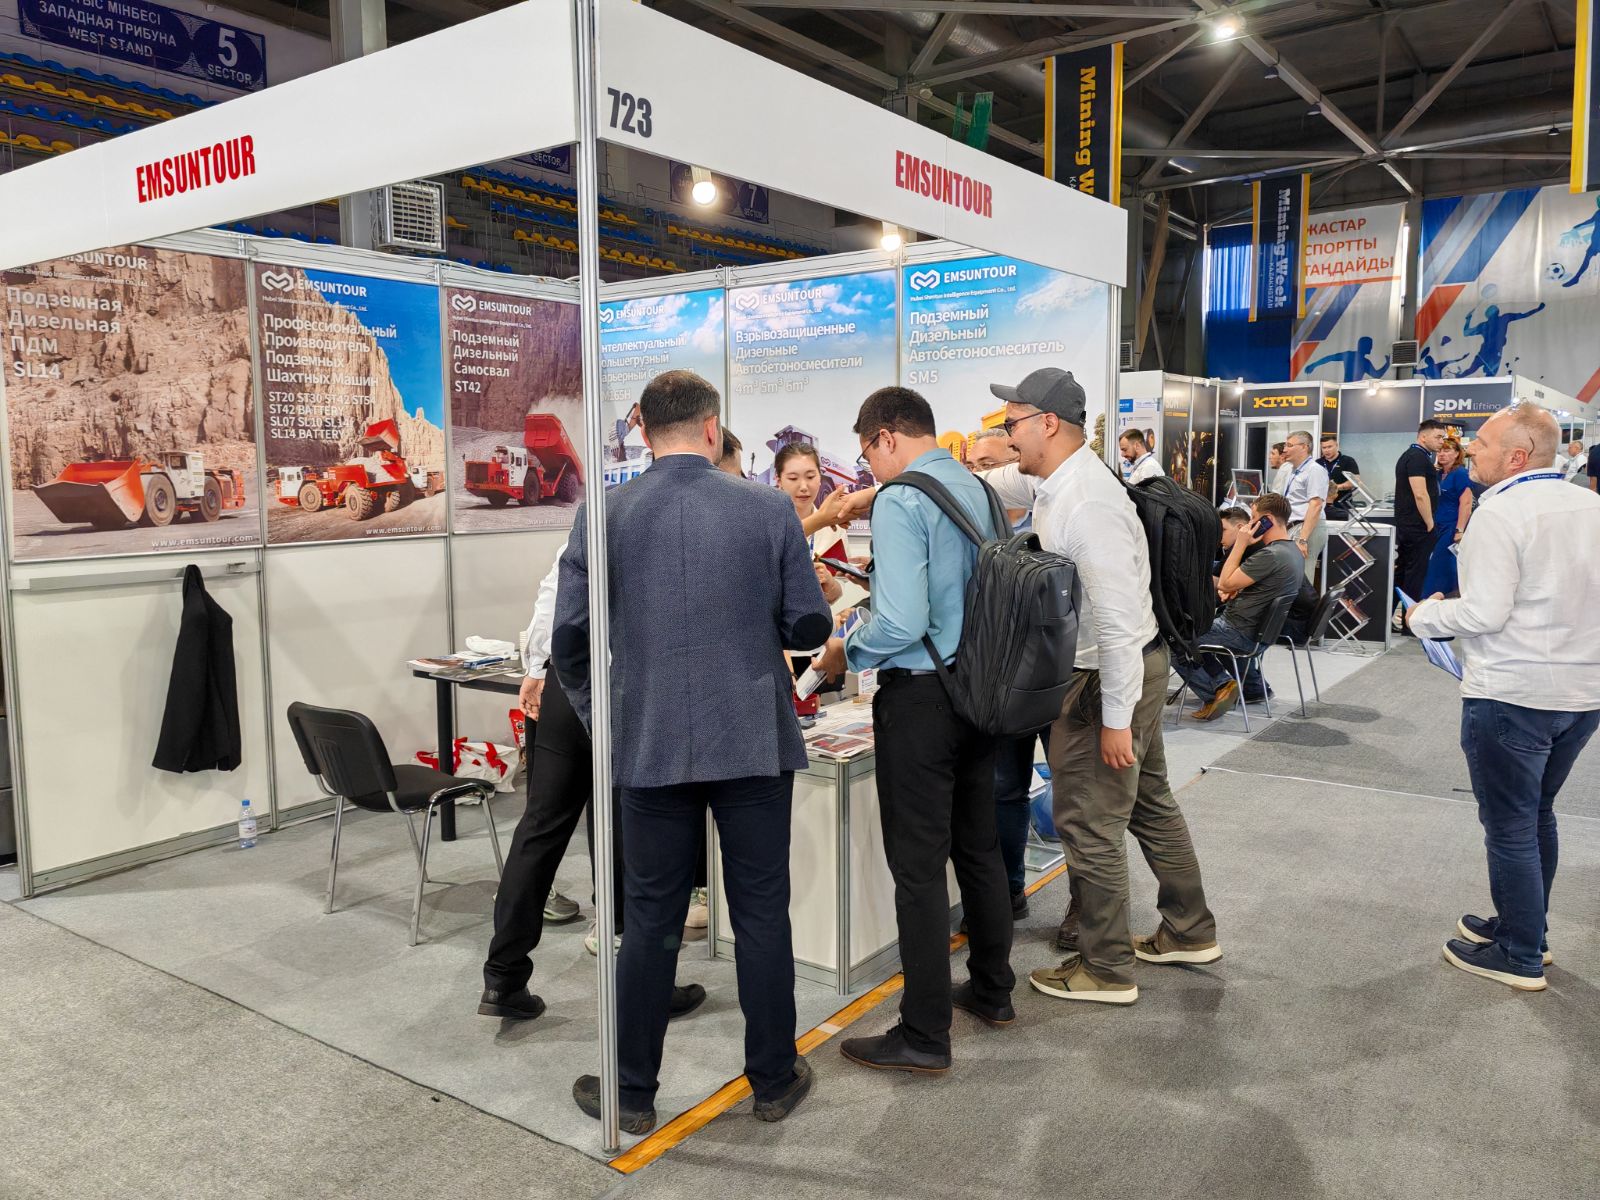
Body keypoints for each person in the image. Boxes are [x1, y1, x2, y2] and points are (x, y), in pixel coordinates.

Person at [556, 369, 830, 1133]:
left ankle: (632, 1093)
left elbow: (570, 642)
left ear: (643, 429)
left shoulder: (603, 515)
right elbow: (807, 625)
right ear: (713, 428)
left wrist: (607, 720)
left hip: (650, 744)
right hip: (751, 739)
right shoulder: (768, 509)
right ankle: (773, 1079)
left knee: (651, 918)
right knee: (761, 912)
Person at [978, 367, 1219, 1004]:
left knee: (1088, 822)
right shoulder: (1063, 480)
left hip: (1106, 679)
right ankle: (1190, 929)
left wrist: (1115, 720)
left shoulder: (1086, 504)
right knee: (1148, 803)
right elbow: (1002, 479)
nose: (1005, 437)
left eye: (1011, 425)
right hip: (1130, 670)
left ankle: (1106, 967)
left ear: (1047, 424)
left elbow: (1115, 625)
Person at [812, 386, 1016, 1074]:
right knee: (978, 848)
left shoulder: (902, 500)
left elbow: (900, 621)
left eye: (868, 454)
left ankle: (925, 1034)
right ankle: (992, 990)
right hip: (979, 690)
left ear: (887, 437)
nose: (869, 470)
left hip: (922, 701)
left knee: (920, 869)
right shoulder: (980, 490)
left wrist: (847, 649)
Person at [1407, 403, 1600, 991]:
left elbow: (1483, 614)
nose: (1471, 452)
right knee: (1536, 814)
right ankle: (1525, 929)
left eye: (1483, 445)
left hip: (1514, 693)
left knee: (1511, 825)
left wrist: (1423, 616)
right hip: (1581, 695)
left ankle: (1519, 954)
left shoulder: (1501, 511)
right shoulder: (1589, 506)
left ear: (1517, 457)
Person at [478, 549, 706, 1022]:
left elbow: (552, 596)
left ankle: (503, 977)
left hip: (569, 682)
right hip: (632, 687)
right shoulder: (670, 529)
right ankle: (646, 983)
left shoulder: (590, 524)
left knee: (541, 827)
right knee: (636, 833)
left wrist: (536, 668)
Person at [1176, 493, 1304, 721]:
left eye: (1254, 518)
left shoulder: (1271, 555)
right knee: (1188, 633)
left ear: (1268, 520)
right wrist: (1238, 589)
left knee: (1173, 638)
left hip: (1237, 630)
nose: (1250, 524)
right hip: (1256, 632)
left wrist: (1241, 544)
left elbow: (1224, 583)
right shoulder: (1293, 552)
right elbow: (1254, 587)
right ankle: (1227, 685)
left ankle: (1217, 690)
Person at [774, 442, 847, 604]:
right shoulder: (765, 523)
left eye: (810, 477)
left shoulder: (835, 529)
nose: (804, 487)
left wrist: (829, 583)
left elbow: (838, 590)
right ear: (778, 480)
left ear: (820, 478)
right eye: (793, 478)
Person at [1394, 419, 1450, 612]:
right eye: (1438, 437)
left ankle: (1395, 616)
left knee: (1404, 573)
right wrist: (1430, 523)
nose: (1441, 441)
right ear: (1423, 437)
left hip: (1411, 525)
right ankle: (1410, 620)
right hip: (1417, 527)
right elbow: (1420, 494)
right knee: (1415, 576)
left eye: (1443, 437)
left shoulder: (1417, 456)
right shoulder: (1417, 457)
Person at [1422, 437, 1474, 596]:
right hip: (1437, 525)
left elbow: (1466, 503)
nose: (1441, 454)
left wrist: (1460, 530)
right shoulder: (1438, 474)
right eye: (1439, 450)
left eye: (1447, 450)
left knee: (1441, 564)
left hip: (1451, 526)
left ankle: (1436, 597)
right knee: (1435, 565)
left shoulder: (1461, 474)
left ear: (1457, 453)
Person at [1280, 431, 1330, 583]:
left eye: (1289, 445)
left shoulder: (1315, 470)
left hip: (1307, 529)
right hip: (1294, 527)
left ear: (1304, 447)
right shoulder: (1291, 470)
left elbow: (1316, 505)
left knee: (1301, 579)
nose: (1284, 449)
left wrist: (1303, 539)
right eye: (1285, 445)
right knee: (1291, 577)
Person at [1319, 434, 1360, 520]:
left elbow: (1355, 481)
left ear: (1337, 446)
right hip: (1322, 507)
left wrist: (1334, 488)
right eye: (1324, 448)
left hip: (1343, 506)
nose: (1326, 450)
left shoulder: (1348, 461)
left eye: (1329, 447)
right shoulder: (1317, 463)